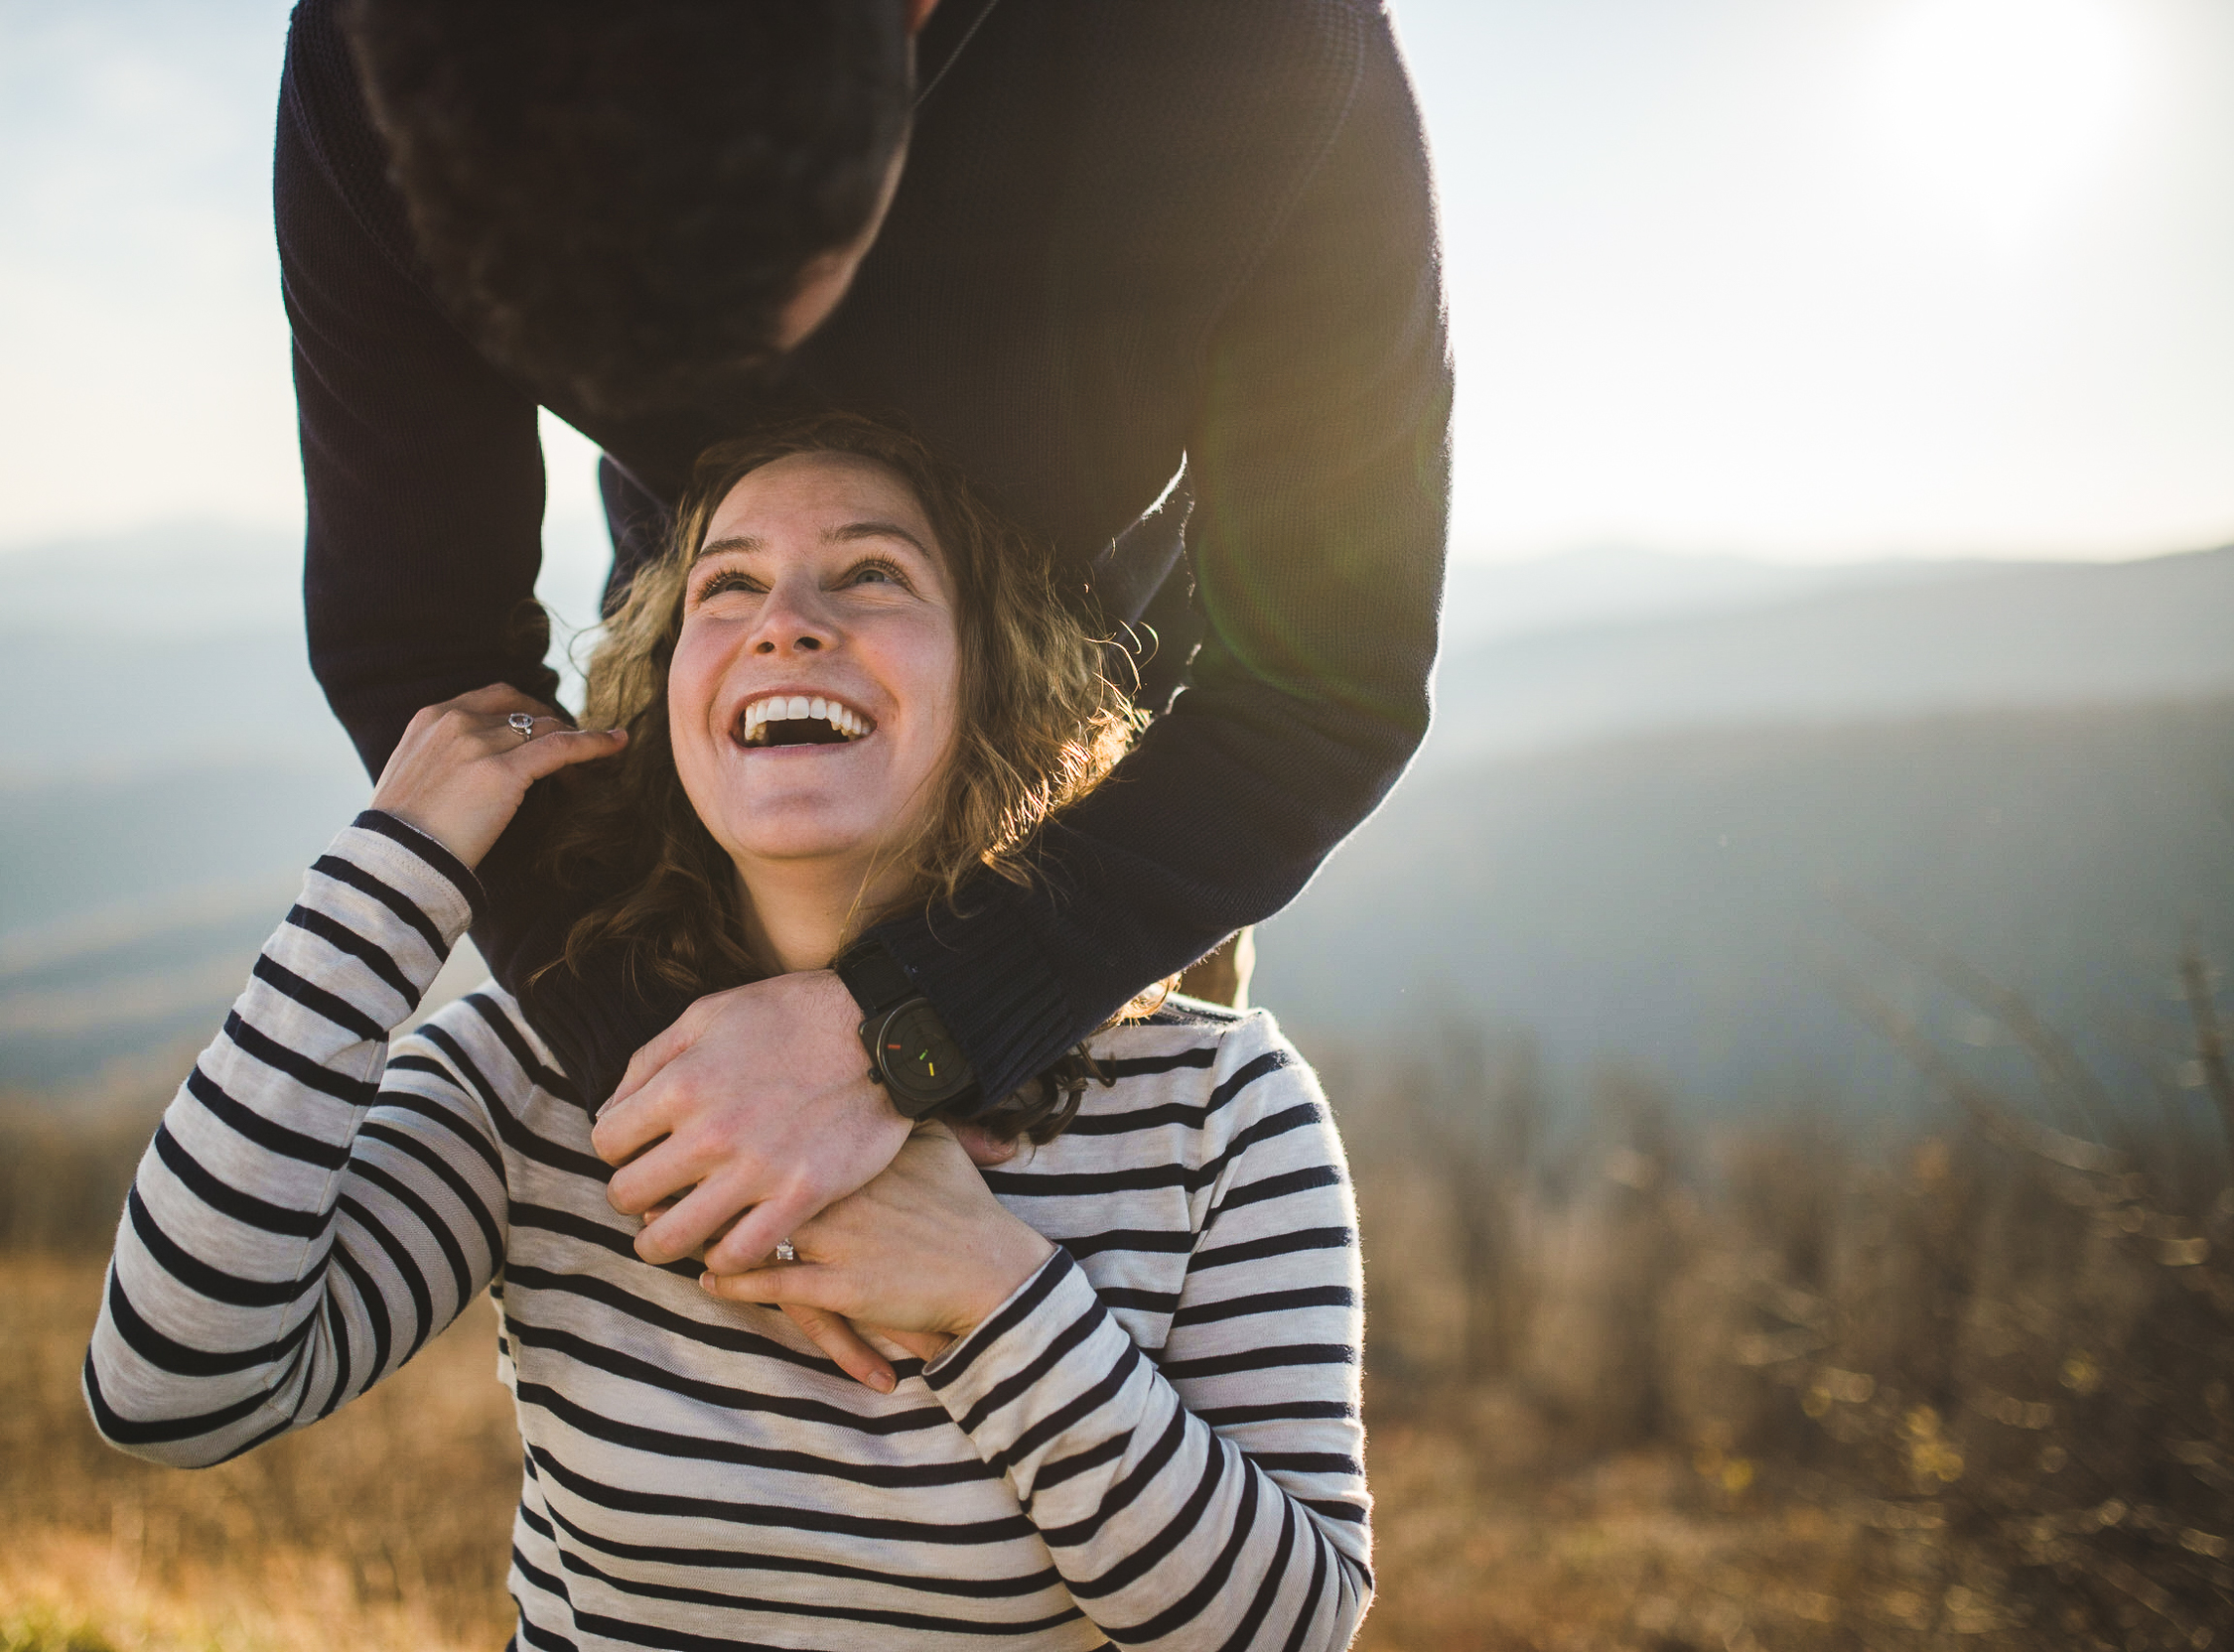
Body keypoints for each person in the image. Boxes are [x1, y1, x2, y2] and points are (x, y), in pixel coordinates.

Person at [85, 417, 1370, 1648]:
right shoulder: (534, 1073)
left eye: (872, 572)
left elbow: (1290, 1624)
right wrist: (396, 871)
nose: (787, 623)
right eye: (726, 585)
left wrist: (998, 1293)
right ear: (663, 689)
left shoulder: (1218, 1106)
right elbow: (174, 1388)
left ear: (997, 670)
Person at [278, 0, 1451, 1285]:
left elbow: (1326, 684)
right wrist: (671, 1078)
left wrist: (916, 1027)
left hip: (1104, 822)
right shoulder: (369, 64)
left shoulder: (1269, 51)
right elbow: (416, 635)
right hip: (692, 832)